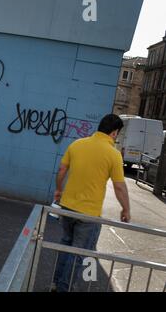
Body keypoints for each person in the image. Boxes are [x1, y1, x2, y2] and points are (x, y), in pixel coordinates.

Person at [52, 114, 131, 292]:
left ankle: (56, 283)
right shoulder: (113, 154)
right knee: (79, 252)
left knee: (65, 244)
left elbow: (62, 169)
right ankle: (65, 288)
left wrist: (58, 190)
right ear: (114, 132)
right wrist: (125, 209)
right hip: (89, 213)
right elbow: (119, 187)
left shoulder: (77, 144)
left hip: (67, 207)